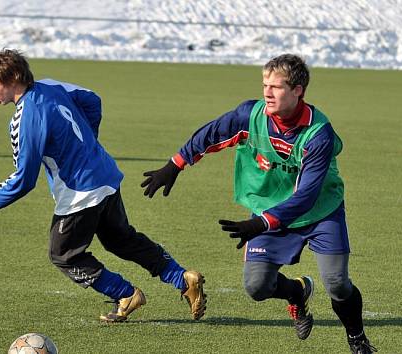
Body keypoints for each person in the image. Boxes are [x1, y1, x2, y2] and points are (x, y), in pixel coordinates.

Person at [141, 54, 376, 353]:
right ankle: (297, 292)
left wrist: (261, 222)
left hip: (320, 212)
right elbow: (211, 133)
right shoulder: (250, 116)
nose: (267, 92)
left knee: (337, 283)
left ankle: (357, 338)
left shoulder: (318, 134)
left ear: (298, 90)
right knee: (257, 287)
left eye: (276, 87)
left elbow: (306, 196)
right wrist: (175, 164)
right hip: (268, 210)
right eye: (265, 84)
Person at [0, 49, 207, 322]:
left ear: (13, 77)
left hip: (79, 193)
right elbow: (92, 99)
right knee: (121, 240)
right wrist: (87, 142)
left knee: (63, 255)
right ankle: (182, 278)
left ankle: (125, 293)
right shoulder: (50, 84)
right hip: (104, 173)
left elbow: (24, 179)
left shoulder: (24, 118)